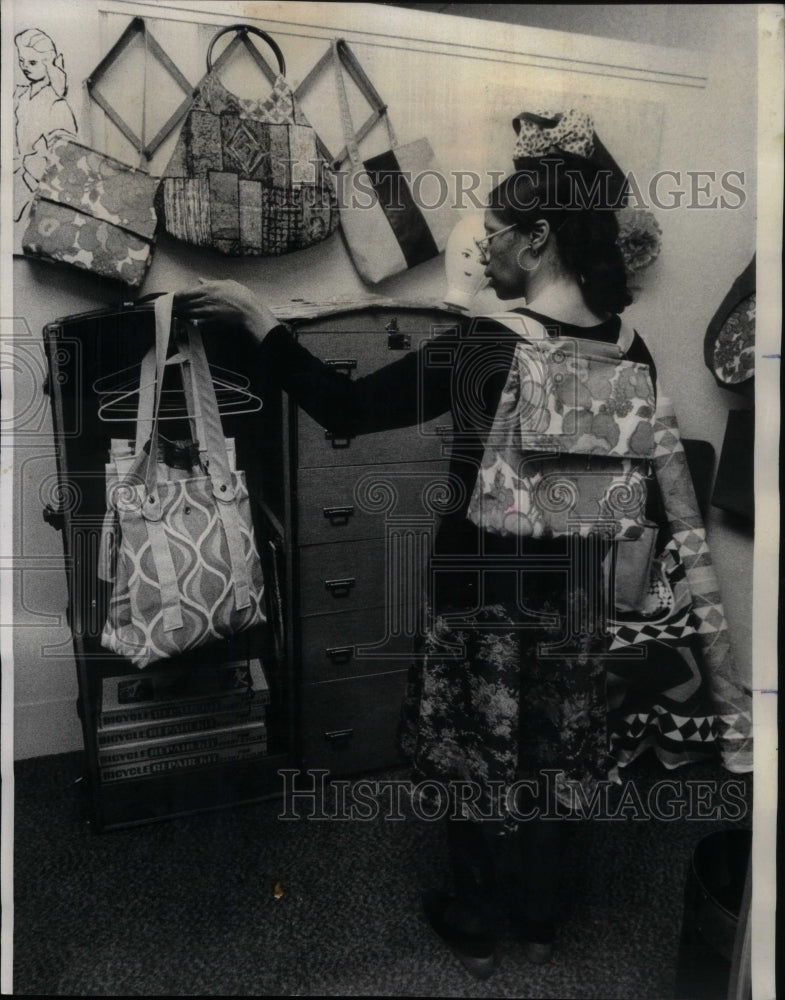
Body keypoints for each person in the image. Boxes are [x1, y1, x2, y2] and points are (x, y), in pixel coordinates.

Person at [174, 151, 657, 979]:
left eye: (495, 235)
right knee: (553, 754)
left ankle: (473, 925)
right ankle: (538, 920)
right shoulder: (629, 345)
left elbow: (348, 407)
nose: (483, 254)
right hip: (574, 597)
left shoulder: (487, 348)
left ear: (539, 238)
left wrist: (261, 321)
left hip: (483, 595)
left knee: (477, 755)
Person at [13, 28, 77, 227]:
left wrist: (32, 169)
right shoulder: (19, 95)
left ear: (48, 62)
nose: (25, 67)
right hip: (15, 176)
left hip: (37, 184)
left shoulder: (57, 103)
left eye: (32, 62)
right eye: (21, 61)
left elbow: (67, 157)